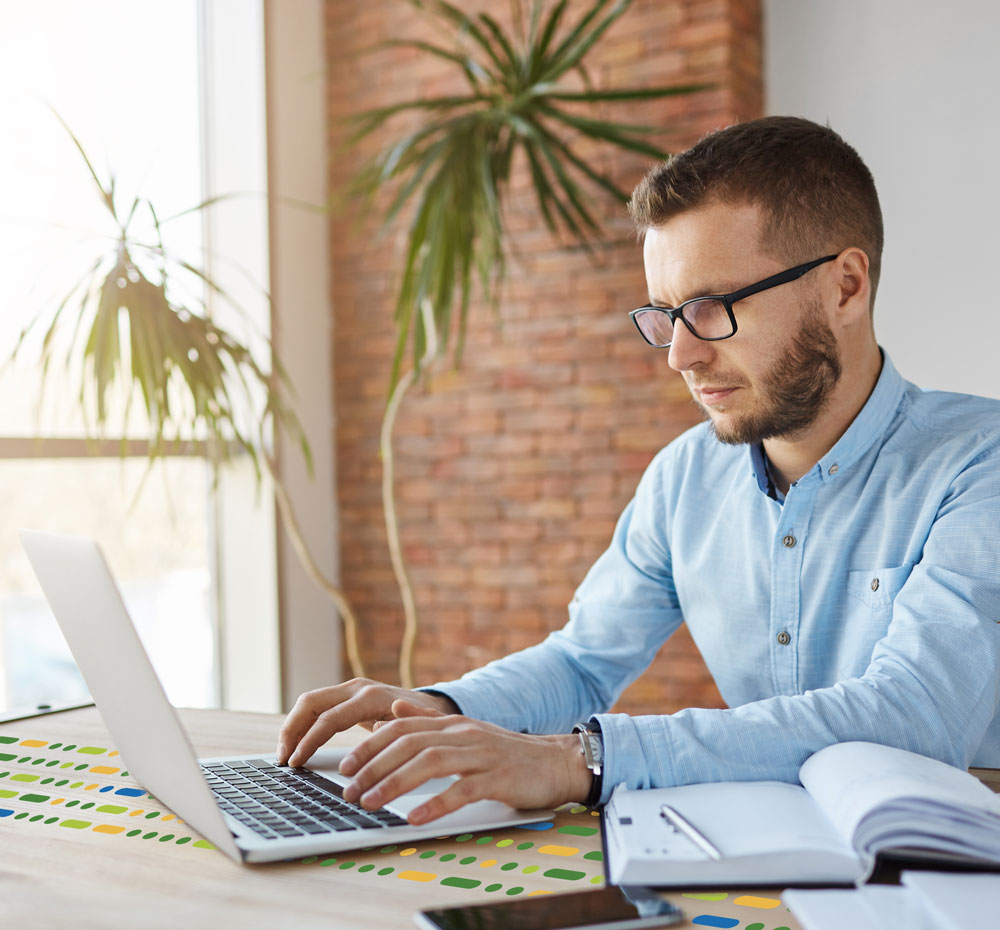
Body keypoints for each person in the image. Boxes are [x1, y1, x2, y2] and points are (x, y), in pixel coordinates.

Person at [276, 116, 1000, 825]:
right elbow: (584, 661)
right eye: (664, 315)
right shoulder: (684, 477)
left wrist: (582, 761)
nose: (680, 356)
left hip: (956, 870)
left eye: (712, 308)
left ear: (844, 287)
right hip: (775, 852)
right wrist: (437, 709)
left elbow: (914, 715)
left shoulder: (979, 463)